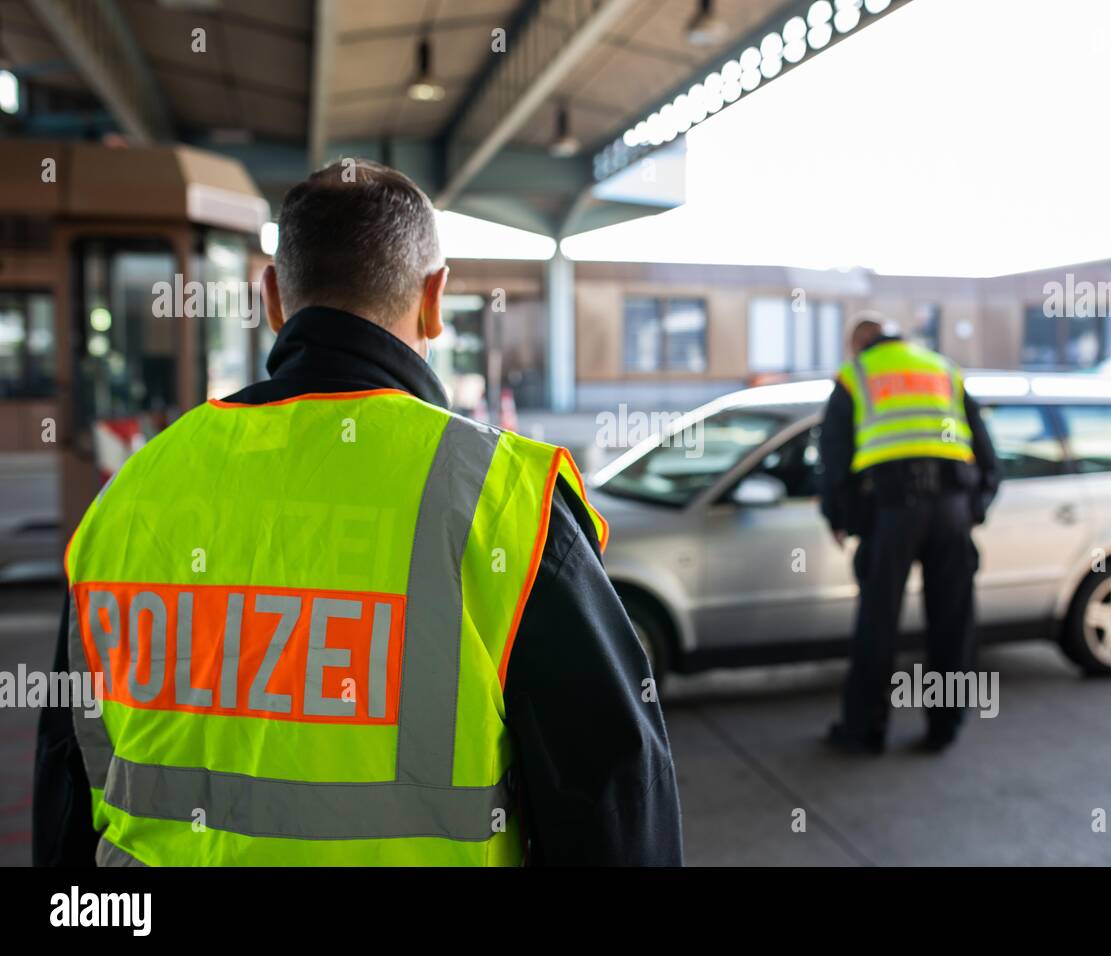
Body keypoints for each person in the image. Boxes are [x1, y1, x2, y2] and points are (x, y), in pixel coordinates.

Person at [33, 159, 683, 866]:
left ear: (274, 297)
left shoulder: (130, 495)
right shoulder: (504, 503)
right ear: (435, 297)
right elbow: (616, 804)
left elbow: (67, 796)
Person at [818, 314, 1000, 754]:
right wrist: (976, 506)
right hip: (952, 508)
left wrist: (840, 516)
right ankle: (945, 728)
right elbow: (986, 449)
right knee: (953, 623)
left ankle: (865, 732)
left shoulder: (855, 375)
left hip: (893, 511)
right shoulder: (941, 368)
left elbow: (834, 457)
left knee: (877, 624)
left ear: (859, 343)